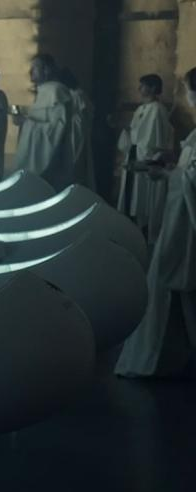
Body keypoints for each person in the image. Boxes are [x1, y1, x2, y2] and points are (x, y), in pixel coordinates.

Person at [115, 67, 196, 378]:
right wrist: (172, 171)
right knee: (178, 284)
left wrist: (169, 174)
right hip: (181, 218)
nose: (186, 97)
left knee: (178, 282)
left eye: (187, 90)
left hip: (185, 223)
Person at [117, 73, 174, 241]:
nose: (139, 89)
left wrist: (147, 157)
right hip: (135, 153)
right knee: (131, 196)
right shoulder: (141, 109)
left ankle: (143, 231)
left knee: (142, 199)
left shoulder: (158, 110)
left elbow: (156, 138)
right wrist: (127, 130)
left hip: (146, 157)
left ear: (153, 88)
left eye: (143, 86)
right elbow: (135, 131)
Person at [12, 53, 76, 191]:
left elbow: (57, 129)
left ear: (46, 70)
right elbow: (41, 118)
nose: (30, 72)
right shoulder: (44, 91)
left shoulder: (56, 91)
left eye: (35, 68)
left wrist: (26, 123)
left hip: (52, 162)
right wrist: (23, 119)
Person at [59, 68, 96, 193]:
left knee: (77, 163)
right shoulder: (71, 94)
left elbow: (84, 114)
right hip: (73, 132)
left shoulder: (77, 94)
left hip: (77, 133)